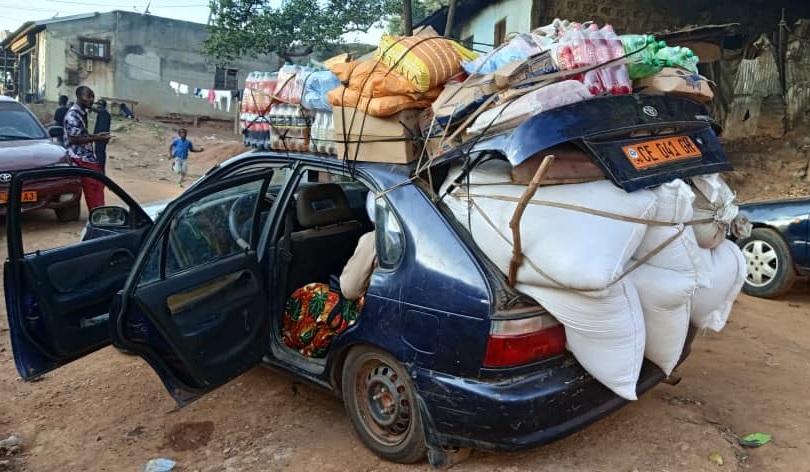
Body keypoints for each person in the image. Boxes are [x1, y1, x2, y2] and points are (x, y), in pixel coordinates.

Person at [282, 192, 377, 358]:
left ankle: (298, 346)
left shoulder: (373, 240)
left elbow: (350, 290)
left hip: (370, 310)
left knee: (305, 295)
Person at [64, 85, 110, 212]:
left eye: (92, 97)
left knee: (98, 184)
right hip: (79, 156)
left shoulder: (82, 113)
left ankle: (98, 211)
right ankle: (97, 213)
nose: (91, 100)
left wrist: (96, 136)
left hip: (86, 155)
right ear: (79, 97)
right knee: (94, 184)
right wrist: (96, 138)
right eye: (88, 96)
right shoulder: (73, 115)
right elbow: (74, 139)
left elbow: (82, 134)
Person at [92, 99, 111, 174]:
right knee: (100, 154)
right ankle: (101, 171)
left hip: (101, 138)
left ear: (101, 106)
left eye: (98, 105)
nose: (97, 106)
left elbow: (101, 128)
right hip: (101, 138)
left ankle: (100, 172)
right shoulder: (104, 114)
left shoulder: (103, 113)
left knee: (100, 155)